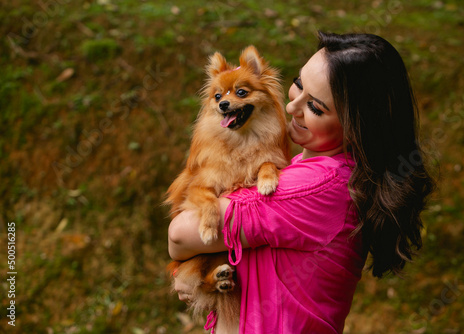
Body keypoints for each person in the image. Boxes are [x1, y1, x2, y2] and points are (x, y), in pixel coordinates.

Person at [168, 31, 435, 334]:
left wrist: (185, 257)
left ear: (358, 127)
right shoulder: (319, 170)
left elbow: (179, 235)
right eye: (298, 85)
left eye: (316, 108)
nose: (292, 108)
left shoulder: (314, 187)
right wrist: (196, 275)